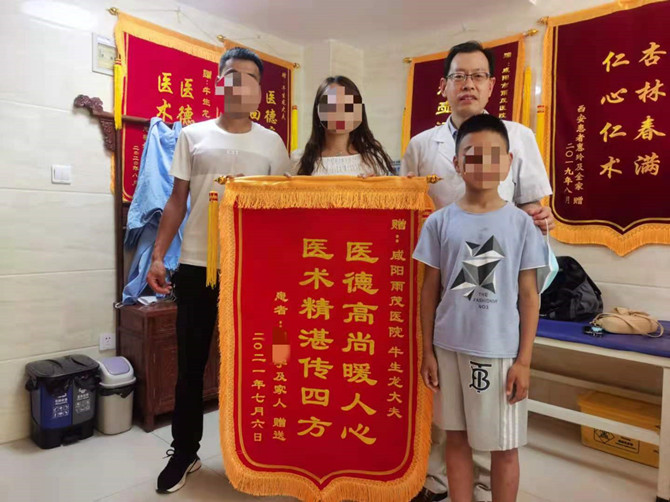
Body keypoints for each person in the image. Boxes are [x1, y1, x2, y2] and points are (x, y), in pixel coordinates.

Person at [401, 41, 553, 502]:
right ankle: (441, 483)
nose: (468, 84)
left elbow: (534, 212)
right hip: (449, 312)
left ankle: (487, 482)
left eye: (478, 75)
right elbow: (405, 206)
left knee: (500, 438)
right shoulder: (422, 146)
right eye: (459, 76)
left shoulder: (518, 137)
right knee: (452, 428)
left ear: (491, 84)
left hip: (498, 319)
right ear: (444, 85)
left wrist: (525, 359)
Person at [147, 47, 291, 494]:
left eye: (249, 77)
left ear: (260, 91)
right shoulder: (193, 135)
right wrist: (158, 255)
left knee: (252, 365)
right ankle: (185, 451)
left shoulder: (272, 143)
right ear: (218, 84)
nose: (239, 83)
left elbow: (284, 208)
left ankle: (254, 453)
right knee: (191, 365)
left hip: (252, 270)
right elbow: (176, 200)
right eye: (231, 75)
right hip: (196, 267)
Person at [293, 75, 395, 176]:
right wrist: (287, 183)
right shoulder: (300, 161)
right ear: (318, 111)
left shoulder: (373, 159)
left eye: (348, 105)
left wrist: (375, 184)